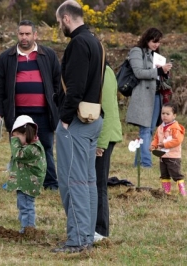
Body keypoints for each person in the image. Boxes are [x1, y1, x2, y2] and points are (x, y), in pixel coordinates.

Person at [52, 0, 104, 253]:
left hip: (77, 122)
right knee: (88, 181)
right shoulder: (96, 42)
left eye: (59, 21)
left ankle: (78, 240)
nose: (59, 25)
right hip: (94, 119)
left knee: (73, 183)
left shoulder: (78, 44)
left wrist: (64, 116)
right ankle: (87, 236)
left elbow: (75, 86)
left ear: (67, 18)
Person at [0, 19, 61, 191]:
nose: (24, 37)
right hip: (17, 113)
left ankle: (50, 182)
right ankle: (19, 181)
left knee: (45, 147)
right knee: (18, 148)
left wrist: (58, 107)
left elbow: (58, 82)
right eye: (21, 34)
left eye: (28, 34)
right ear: (17, 35)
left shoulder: (48, 55)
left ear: (35, 35)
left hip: (44, 112)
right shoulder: (6, 57)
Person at [126, 27, 173, 168]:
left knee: (150, 129)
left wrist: (164, 73)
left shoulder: (156, 55)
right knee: (145, 130)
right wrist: (159, 70)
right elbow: (139, 72)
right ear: (147, 39)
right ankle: (146, 163)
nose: (156, 44)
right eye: (154, 41)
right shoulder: (136, 51)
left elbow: (155, 75)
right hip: (143, 96)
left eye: (158, 42)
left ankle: (139, 162)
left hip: (156, 95)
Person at [94, 64, 123, 242]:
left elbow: (109, 110)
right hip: (97, 137)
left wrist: (101, 143)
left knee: (99, 183)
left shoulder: (103, 71)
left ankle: (101, 229)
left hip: (104, 137)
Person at [4, 115, 46, 233]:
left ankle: (28, 230)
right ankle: (24, 225)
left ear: (25, 134)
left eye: (16, 137)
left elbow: (18, 154)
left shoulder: (32, 149)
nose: (14, 140)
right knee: (22, 204)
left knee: (27, 205)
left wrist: (13, 141)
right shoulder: (28, 146)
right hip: (24, 182)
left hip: (29, 184)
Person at [150, 102, 186, 196]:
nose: (164, 116)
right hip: (162, 156)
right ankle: (166, 191)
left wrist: (165, 145)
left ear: (174, 115)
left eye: (167, 114)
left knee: (176, 174)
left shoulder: (175, 128)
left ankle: (182, 191)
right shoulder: (160, 127)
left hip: (173, 156)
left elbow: (177, 140)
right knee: (164, 174)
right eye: (163, 113)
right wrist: (153, 145)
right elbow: (156, 138)